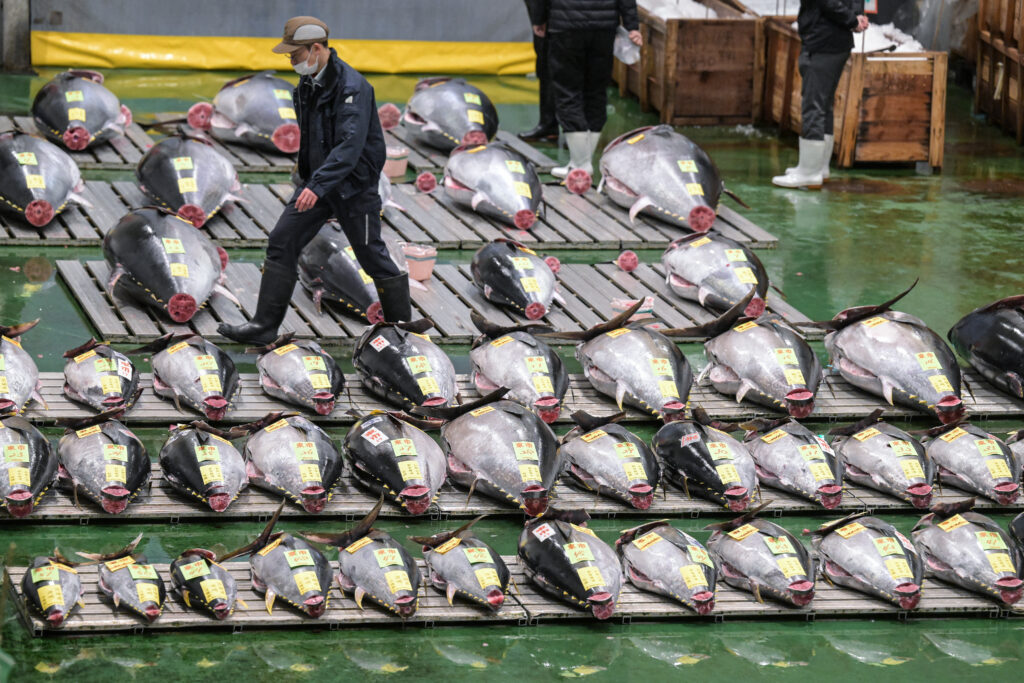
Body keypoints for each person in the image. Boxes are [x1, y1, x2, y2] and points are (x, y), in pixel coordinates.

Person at [218, 16, 410, 345]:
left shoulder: (354, 88)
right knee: (282, 240)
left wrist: (316, 186)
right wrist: (309, 180)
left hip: (353, 187)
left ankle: (404, 330)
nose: (290, 61)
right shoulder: (306, 85)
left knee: (371, 256)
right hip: (317, 185)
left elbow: (348, 148)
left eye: (294, 55)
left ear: (316, 48)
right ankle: (264, 326)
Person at [527, 0, 642, 184]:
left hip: (566, 25)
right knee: (596, 90)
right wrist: (632, 25)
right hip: (603, 28)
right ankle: (579, 162)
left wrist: (538, 19)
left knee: (568, 91)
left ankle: (581, 165)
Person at [772, 0, 868, 189]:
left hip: (823, 41)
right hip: (836, 42)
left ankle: (809, 172)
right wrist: (855, 18)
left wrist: (852, 20)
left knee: (813, 105)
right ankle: (819, 167)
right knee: (823, 105)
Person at [519, 0, 558, 142]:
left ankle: (549, 125)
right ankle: (551, 126)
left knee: (547, 70)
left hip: (551, 21)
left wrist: (539, 19)